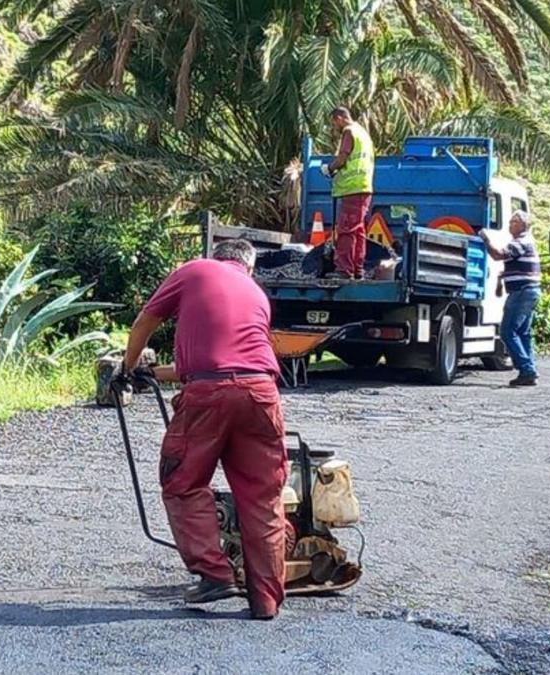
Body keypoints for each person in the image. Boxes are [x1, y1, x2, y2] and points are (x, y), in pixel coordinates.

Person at [119, 239, 287, 620]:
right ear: (249, 266)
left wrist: (128, 369)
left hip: (209, 395)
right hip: (261, 395)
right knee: (262, 496)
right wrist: (155, 374)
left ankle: (215, 573)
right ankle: (266, 601)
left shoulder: (195, 269)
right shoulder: (257, 294)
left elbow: (146, 321)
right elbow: (227, 362)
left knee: (181, 481)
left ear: (218, 258)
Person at [481, 210, 542, 386]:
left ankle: (527, 369)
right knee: (523, 333)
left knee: (508, 332)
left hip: (522, 292)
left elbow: (497, 254)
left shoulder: (521, 242)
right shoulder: (525, 242)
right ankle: (529, 369)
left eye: (513, 222)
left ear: (523, 225)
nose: (509, 225)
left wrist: (485, 238)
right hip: (528, 291)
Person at [325, 107, 375, 279]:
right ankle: (357, 270)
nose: (334, 128)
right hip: (363, 188)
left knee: (346, 229)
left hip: (353, 188)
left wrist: (329, 168)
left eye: (334, 123)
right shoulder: (363, 134)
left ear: (340, 118)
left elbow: (342, 158)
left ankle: (344, 270)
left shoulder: (349, 131)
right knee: (358, 231)